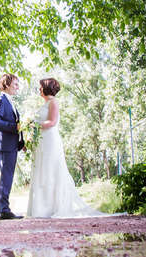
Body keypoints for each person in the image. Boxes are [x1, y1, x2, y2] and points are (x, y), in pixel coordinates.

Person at [26, 77, 111, 218]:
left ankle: (53, 208)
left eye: (41, 87)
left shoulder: (53, 102)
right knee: (41, 171)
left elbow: (52, 122)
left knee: (50, 171)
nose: (39, 89)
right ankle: (41, 208)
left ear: (46, 87)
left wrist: (34, 125)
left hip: (50, 140)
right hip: (41, 142)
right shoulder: (44, 104)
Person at [0, 73, 25, 220]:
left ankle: (5, 209)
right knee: (6, 178)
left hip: (11, 145)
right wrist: (14, 127)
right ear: (6, 85)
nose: (17, 87)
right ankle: (4, 210)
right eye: (15, 84)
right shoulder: (1, 100)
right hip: (4, 145)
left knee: (8, 177)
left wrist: (21, 141)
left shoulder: (10, 102)